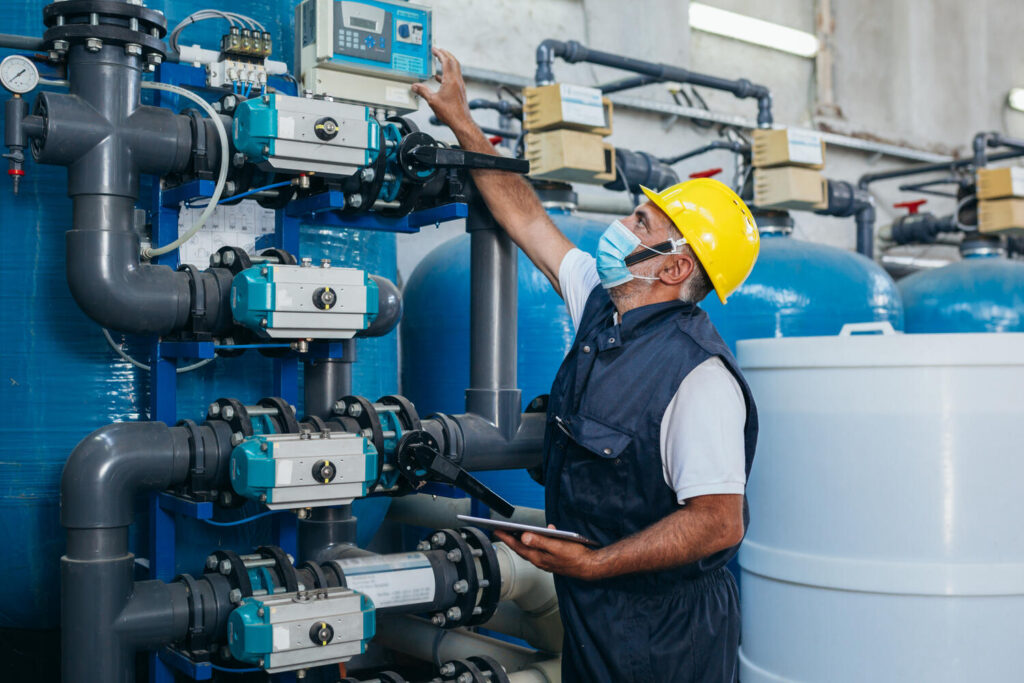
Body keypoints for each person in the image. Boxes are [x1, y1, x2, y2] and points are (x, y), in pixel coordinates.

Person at [414, 48, 760, 683]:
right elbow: (526, 217)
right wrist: (463, 123)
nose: (621, 225)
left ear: (676, 268)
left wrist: (596, 564)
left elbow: (717, 522)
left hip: (665, 631)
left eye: (641, 221)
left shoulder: (699, 379)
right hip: (595, 604)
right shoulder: (606, 307)